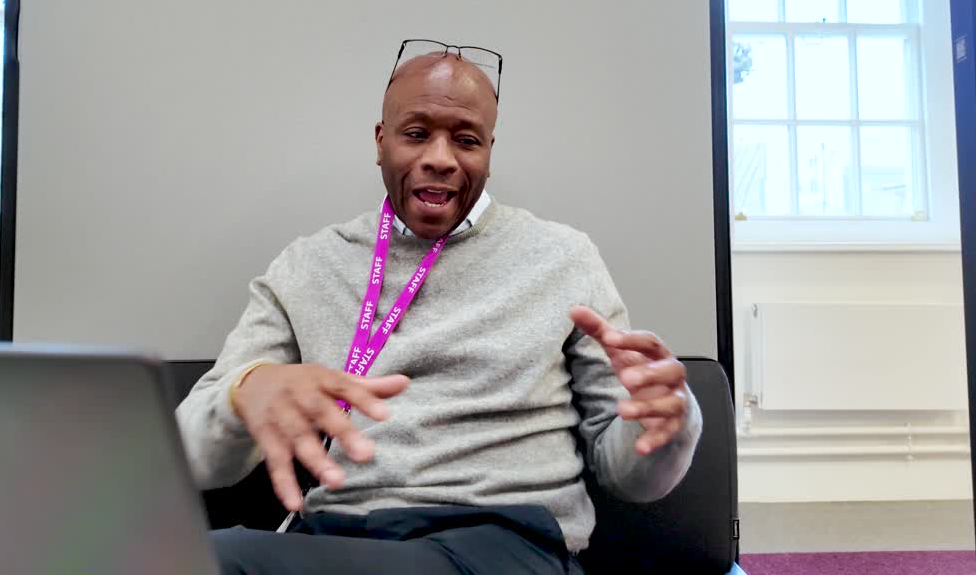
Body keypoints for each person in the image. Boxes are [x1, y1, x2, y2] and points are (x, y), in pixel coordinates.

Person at [176, 41, 702, 574]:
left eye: (467, 140)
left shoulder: (563, 258)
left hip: (500, 544)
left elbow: (630, 477)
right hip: (340, 539)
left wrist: (668, 425)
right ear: (380, 142)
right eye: (417, 133)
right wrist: (245, 392)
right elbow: (192, 456)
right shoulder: (307, 266)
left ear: (489, 154)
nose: (440, 159)